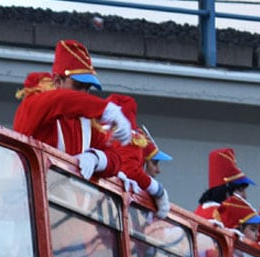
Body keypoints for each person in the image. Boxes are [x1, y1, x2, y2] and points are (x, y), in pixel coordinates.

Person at [12, 39, 169, 216]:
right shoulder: (36, 106)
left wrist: (96, 158)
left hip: (64, 215)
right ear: (57, 81)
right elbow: (61, 100)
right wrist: (106, 110)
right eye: (77, 86)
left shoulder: (85, 122)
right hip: (26, 211)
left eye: (87, 89)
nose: (83, 94)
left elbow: (115, 159)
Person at [195, 148, 254, 224]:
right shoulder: (219, 215)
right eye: (240, 190)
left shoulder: (200, 211)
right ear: (225, 191)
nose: (245, 196)